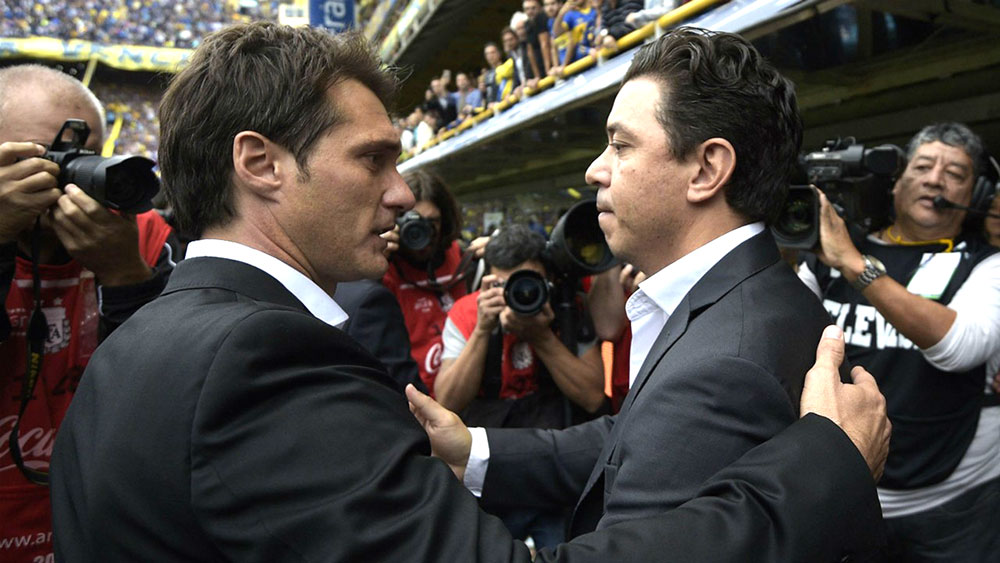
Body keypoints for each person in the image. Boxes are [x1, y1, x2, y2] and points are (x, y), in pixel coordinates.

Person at [51, 22, 889, 562]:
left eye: (620, 144)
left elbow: (634, 438)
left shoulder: (139, 331)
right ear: (260, 163)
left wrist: (475, 451)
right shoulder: (261, 360)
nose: (403, 194)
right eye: (374, 159)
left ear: (708, 170)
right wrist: (826, 464)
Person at [415, 26, 887, 549]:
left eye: (620, 145)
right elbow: (638, 439)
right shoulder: (743, 301)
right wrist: (475, 452)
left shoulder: (723, 368)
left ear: (706, 169)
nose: (595, 170)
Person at [799, 122, 1000, 562]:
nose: (935, 179)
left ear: (975, 195)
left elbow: (957, 347)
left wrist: (856, 265)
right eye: (923, 167)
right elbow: (785, 339)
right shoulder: (827, 257)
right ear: (896, 183)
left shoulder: (988, 265)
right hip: (846, 496)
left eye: (955, 173)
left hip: (955, 507)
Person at [0, 64, 177, 562]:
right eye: (43, 158)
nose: (67, 176)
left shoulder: (139, 236)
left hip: (95, 529)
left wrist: (126, 276)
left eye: (86, 158)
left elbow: (167, 401)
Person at [436, 225, 605, 548]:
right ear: (488, 281)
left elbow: (593, 397)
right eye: (503, 285)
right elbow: (448, 401)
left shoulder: (567, 309)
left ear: (548, 279)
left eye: (528, 281)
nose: (520, 293)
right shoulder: (468, 312)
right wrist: (482, 330)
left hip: (551, 465)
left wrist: (542, 337)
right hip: (488, 468)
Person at [381, 170, 470, 393]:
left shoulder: (463, 261)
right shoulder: (382, 270)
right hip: (412, 395)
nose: (422, 232)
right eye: (412, 221)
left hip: (463, 391)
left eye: (432, 222)